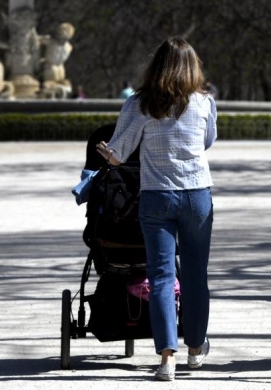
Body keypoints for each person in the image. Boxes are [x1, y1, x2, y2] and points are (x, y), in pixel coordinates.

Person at [96, 37, 216, 381]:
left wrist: (106, 151)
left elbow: (119, 154)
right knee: (196, 275)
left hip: (157, 195)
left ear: (156, 66)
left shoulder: (139, 104)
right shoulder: (205, 101)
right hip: (197, 194)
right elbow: (207, 142)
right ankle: (195, 348)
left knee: (162, 276)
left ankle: (167, 358)